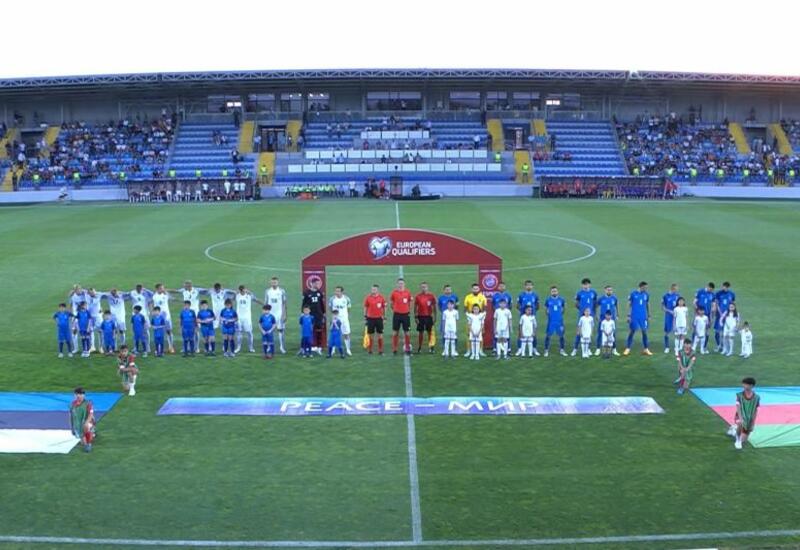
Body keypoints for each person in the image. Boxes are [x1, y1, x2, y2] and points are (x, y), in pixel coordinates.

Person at [624, 281, 652, 356]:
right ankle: (628, 348)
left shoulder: (646, 294)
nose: (646, 289)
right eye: (645, 287)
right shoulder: (633, 294)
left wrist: (649, 315)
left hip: (643, 316)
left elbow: (647, 304)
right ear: (641, 287)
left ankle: (646, 349)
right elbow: (629, 304)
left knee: (644, 332)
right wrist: (628, 315)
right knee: (632, 331)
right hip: (634, 315)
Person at [731, 377, 760, 450]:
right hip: (740, 415)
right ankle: (737, 440)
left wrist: (753, 423)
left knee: (744, 440)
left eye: (746, 384)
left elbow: (755, 410)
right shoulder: (739, 395)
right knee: (740, 423)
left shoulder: (757, 397)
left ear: (751, 386)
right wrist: (741, 418)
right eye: (743, 384)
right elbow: (738, 407)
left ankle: (734, 431)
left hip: (749, 418)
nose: (744, 385)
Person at [571, 278, 597, 357]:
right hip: (582, 315)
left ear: (590, 285)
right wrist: (582, 310)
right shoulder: (579, 293)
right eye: (584, 284)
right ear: (582, 285)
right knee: (579, 332)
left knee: (589, 333)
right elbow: (576, 303)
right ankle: (575, 349)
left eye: (587, 284)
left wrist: (594, 313)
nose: (586, 286)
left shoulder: (593, 293)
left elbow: (595, 304)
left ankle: (588, 349)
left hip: (590, 315)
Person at [264, 277, 288, 354]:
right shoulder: (267, 291)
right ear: (270, 283)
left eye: (275, 282)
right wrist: (265, 314)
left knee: (280, 330)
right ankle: (269, 346)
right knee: (269, 330)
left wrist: (284, 314)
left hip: (279, 314)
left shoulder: (282, 291)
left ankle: (281, 347)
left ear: (278, 283)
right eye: (273, 282)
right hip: (270, 314)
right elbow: (265, 303)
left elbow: (284, 303)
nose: (274, 283)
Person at [234, 285, 260, 354]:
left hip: (247, 318)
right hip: (239, 317)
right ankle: (238, 347)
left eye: (244, 290)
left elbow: (256, 299)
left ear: (245, 289)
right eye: (241, 290)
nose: (243, 291)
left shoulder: (249, 296)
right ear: (239, 290)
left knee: (249, 332)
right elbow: (231, 298)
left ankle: (251, 347)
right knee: (239, 332)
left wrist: (263, 304)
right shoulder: (237, 296)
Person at [390, 278, 413, 355]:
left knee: (407, 332)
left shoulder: (408, 292)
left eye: (402, 283)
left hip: (406, 315)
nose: (400, 285)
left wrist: (408, 310)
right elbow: (391, 303)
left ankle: (407, 348)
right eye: (399, 283)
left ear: (404, 284)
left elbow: (410, 302)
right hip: (397, 315)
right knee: (395, 332)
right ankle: (394, 349)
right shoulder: (394, 293)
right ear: (397, 284)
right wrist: (396, 309)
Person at [302, 279, 326, 353]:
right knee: (309, 330)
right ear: (312, 283)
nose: (317, 285)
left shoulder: (319, 293)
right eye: (316, 283)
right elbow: (304, 304)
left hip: (319, 315)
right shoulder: (306, 292)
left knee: (319, 330)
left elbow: (322, 304)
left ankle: (319, 346)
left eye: (318, 283)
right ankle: (310, 346)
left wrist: (323, 313)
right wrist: (303, 313)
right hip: (310, 315)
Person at [463, 283, 487, 355]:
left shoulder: (482, 297)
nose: (475, 290)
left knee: (480, 334)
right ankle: (469, 350)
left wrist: (482, 317)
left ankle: (480, 350)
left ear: (479, 289)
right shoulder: (468, 297)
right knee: (469, 334)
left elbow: (484, 308)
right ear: (471, 289)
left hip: (479, 318)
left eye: (477, 289)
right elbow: (465, 308)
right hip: (471, 318)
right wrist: (469, 316)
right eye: (474, 289)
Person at [543, 286, 567, 357]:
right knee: (548, 335)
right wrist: (550, 315)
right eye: (553, 291)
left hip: (559, 321)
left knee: (561, 335)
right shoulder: (548, 300)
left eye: (555, 291)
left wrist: (559, 315)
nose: (554, 292)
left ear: (557, 291)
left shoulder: (561, 299)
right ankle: (546, 350)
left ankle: (562, 350)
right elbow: (546, 310)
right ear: (550, 292)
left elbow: (564, 308)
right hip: (551, 321)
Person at [328, 286, 352, 356]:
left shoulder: (346, 299)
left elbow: (349, 308)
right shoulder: (332, 299)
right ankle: (333, 349)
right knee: (334, 334)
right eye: (336, 291)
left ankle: (348, 349)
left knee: (346, 334)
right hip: (336, 320)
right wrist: (334, 316)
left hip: (344, 319)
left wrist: (345, 315)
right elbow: (330, 308)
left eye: (338, 291)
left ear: (342, 292)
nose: (336, 292)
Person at [363, 284, 387, 355]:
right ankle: (370, 350)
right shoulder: (368, 298)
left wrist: (385, 317)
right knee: (371, 335)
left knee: (380, 335)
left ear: (377, 290)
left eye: (374, 289)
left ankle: (380, 350)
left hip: (379, 319)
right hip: (370, 319)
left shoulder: (381, 298)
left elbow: (385, 308)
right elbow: (365, 307)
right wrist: (365, 317)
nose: (373, 290)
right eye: (372, 289)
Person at [69, 387, 95, 452]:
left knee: (86, 427)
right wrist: (72, 428)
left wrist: (86, 422)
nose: (78, 396)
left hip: (88, 422)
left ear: (84, 395)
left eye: (80, 394)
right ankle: (90, 435)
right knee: (82, 442)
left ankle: (88, 444)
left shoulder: (88, 403)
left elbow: (91, 414)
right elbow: (71, 416)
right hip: (78, 424)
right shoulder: (72, 404)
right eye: (76, 394)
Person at [414, 282, 436, 354]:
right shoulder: (418, 296)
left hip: (429, 316)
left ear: (427, 287)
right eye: (422, 287)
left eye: (425, 287)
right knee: (421, 332)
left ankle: (431, 347)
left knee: (429, 332)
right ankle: (420, 347)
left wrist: (435, 317)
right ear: (420, 288)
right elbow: (415, 307)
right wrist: (416, 317)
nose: (424, 288)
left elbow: (434, 307)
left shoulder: (431, 296)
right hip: (420, 316)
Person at [596, 285, 619, 356]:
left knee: (612, 334)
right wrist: (597, 315)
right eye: (608, 290)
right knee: (600, 333)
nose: (609, 291)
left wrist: (617, 315)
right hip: (602, 318)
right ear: (605, 290)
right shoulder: (601, 298)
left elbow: (616, 306)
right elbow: (596, 306)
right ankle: (598, 349)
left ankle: (614, 349)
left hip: (612, 319)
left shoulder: (614, 298)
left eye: (611, 290)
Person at [129, 284, 153, 355]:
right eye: (138, 288)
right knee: (135, 331)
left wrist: (150, 311)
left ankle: (147, 346)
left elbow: (151, 299)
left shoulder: (145, 293)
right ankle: (135, 347)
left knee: (146, 330)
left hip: (144, 314)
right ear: (136, 288)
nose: (139, 289)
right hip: (135, 314)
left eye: (140, 288)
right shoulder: (132, 293)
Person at [151, 284, 175, 354]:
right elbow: (152, 304)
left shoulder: (165, 294)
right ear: (157, 289)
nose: (163, 289)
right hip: (158, 317)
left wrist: (166, 292)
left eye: (163, 288)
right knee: (159, 332)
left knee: (169, 331)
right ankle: (159, 348)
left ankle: (171, 347)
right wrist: (152, 312)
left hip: (167, 317)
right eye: (161, 288)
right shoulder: (154, 296)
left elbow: (172, 298)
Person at [714, 281, 736, 353]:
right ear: (722, 286)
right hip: (719, 315)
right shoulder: (718, 293)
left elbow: (733, 304)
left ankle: (725, 347)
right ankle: (718, 345)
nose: (725, 288)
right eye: (724, 286)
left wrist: (733, 313)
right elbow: (716, 304)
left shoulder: (731, 294)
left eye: (726, 287)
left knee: (725, 332)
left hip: (728, 317)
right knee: (717, 331)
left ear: (728, 287)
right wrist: (719, 313)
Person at [694, 282, 716, 350]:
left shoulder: (712, 294)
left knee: (707, 330)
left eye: (712, 289)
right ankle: (693, 346)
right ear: (707, 286)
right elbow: (694, 302)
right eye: (710, 289)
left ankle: (704, 347)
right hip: (699, 314)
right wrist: (696, 312)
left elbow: (713, 305)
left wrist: (712, 316)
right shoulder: (700, 291)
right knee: (696, 329)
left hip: (707, 315)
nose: (711, 290)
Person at [492, 281, 513, 352]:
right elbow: (492, 305)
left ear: (505, 287)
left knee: (506, 334)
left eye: (503, 286)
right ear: (498, 287)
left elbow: (510, 305)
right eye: (500, 286)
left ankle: (508, 349)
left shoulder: (508, 295)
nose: (501, 287)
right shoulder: (495, 296)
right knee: (496, 334)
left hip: (505, 318)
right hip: (498, 318)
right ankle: (495, 349)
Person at [661, 283, 680, 354]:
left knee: (677, 332)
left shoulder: (678, 296)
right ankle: (667, 347)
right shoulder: (665, 296)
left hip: (676, 316)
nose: (677, 290)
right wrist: (670, 311)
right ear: (672, 288)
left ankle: (676, 347)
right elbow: (663, 307)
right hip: (668, 316)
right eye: (676, 289)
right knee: (667, 332)